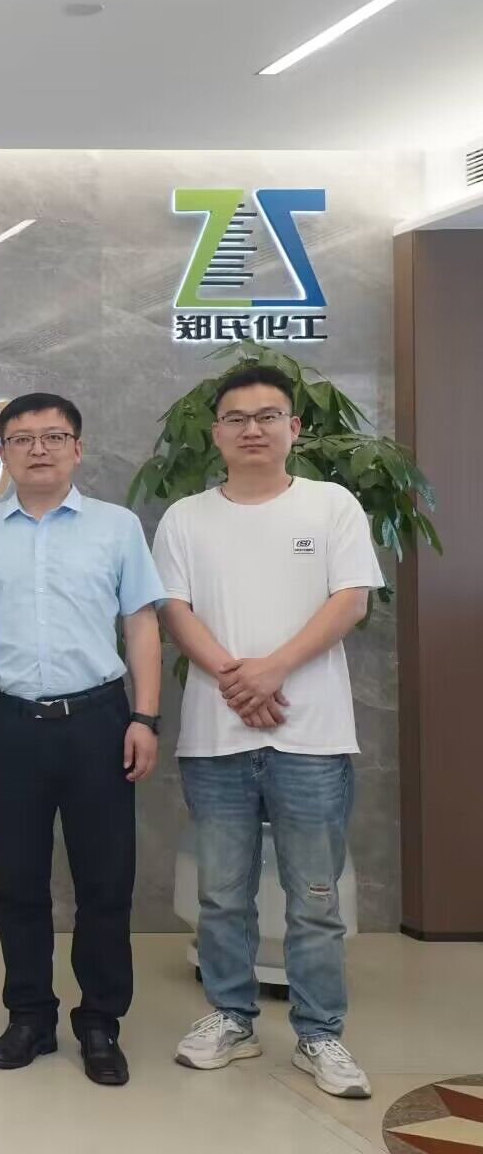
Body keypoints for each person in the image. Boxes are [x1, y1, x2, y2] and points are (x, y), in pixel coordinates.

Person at [154, 364, 382, 1100]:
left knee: (315, 897)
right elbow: (175, 610)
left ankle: (320, 1034)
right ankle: (231, 1017)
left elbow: (350, 601)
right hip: (216, 737)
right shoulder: (186, 517)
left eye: (267, 416)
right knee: (223, 894)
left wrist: (273, 669)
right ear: (216, 433)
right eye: (236, 418)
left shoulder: (332, 505)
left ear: (294, 427)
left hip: (311, 737)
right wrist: (237, 678)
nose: (251, 429)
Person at [0, 391, 165, 1087]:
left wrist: (145, 718)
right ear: (3, 453)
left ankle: (100, 1021)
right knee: (18, 881)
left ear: (78, 447)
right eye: (22, 439)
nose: (37, 449)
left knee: (105, 880)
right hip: (10, 723)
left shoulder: (116, 528)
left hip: (99, 722)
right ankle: (30, 1016)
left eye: (52, 436)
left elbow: (141, 625)